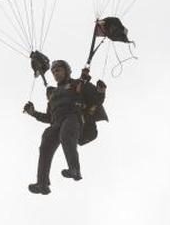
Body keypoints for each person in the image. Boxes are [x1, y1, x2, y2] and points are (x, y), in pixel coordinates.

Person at [22, 60, 107, 195]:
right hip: (56, 122)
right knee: (46, 143)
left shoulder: (77, 84)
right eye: (54, 71)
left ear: (66, 71)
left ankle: (74, 169)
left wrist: (101, 91)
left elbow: (97, 99)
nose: (56, 73)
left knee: (66, 135)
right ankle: (42, 183)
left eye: (59, 70)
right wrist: (34, 113)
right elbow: (49, 117)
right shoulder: (53, 95)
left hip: (73, 117)